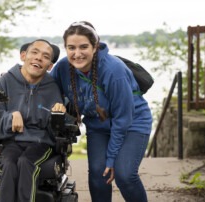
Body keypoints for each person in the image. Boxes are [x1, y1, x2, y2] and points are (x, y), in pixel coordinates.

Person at [50, 21, 153, 202]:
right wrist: (19, 77)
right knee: (98, 173)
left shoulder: (114, 70)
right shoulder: (62, 68)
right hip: (98, 125)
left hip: (132, 123)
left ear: (95, 47)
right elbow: (46, 89)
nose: (77, 53)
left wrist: (111, 157)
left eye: (83, 47)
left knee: (124, 174)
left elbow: (123, 118)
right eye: (71, 48)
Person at [0, 39, 66, 202]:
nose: (38, 58)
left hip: (40, 143)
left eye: (45, 56)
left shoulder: (53, 87)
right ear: (24, 55)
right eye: (34, 52)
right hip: (11, 141)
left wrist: (58, 115)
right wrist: (11, 117)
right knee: (8, 164)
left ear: (50, 66)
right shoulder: (6, 80)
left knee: (25, 162)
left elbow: (56, 126)